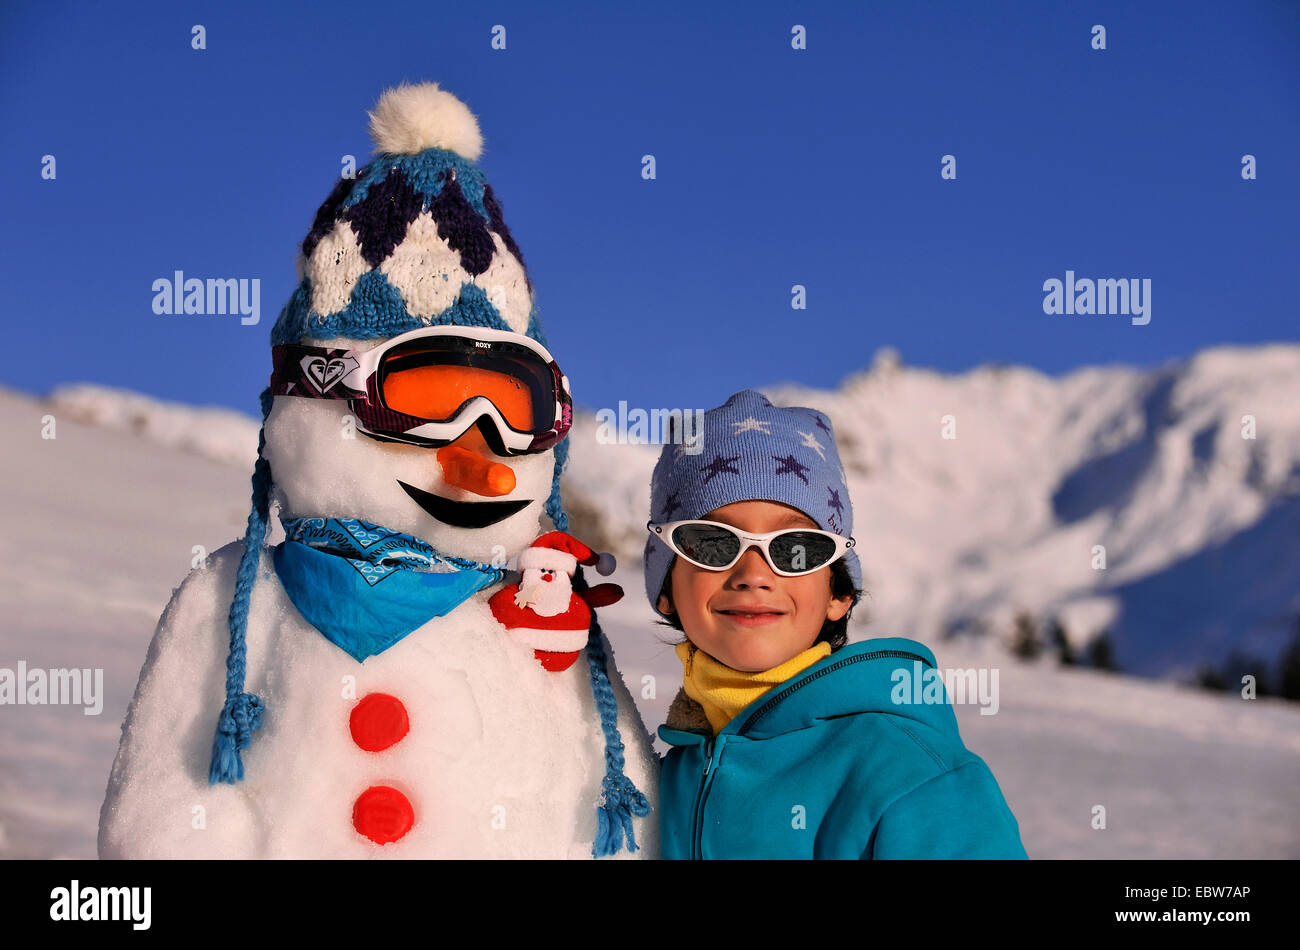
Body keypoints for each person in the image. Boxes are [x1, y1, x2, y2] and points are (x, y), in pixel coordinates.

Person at [642, 389, 1027, 859]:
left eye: (795, 549)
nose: (754, 575)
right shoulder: (665, 777)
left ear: (838, 594)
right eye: (712, 543)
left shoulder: (914, 779)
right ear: (665, 588)